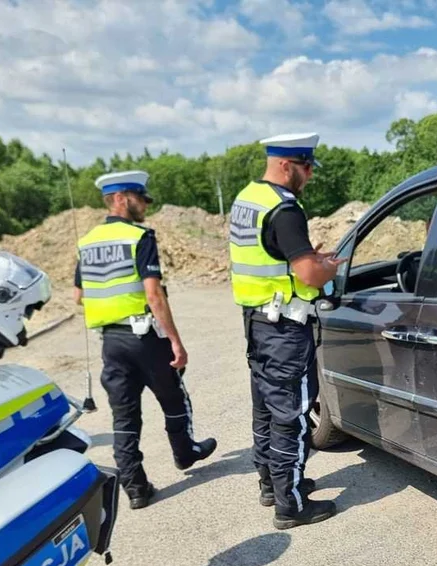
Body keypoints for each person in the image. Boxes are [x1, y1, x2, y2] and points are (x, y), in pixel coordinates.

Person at [73, 170, 216, 509]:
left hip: (110, 341)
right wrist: (176, 342)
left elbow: (79, 294)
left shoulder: (88, 241)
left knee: (124, 416)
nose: (145, 205)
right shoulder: (139, 237)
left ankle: (136, 489)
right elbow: (154, 295)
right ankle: (185, 452)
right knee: (173, 396)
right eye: (140, 198)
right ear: (121, 199)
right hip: (145, 337)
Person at [229, 132, 344, 529]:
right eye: (306, 167)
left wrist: (308, 257)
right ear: (285, 165)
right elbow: (308, 273)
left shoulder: (247, 200)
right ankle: (290, 504)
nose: (309, 175)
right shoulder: (284, 208)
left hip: (257, 321)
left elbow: (272, 254)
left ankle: (272, 485)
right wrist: (327, 266)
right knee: (291, 414)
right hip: (285, 330)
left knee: (265, 407)